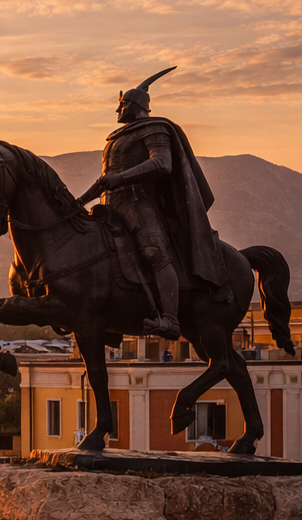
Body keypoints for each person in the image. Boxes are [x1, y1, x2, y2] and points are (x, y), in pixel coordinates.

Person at [78, 66, 227, 340]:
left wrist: (121, 177)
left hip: (139, 204)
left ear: (135, 104)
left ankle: (170, 318)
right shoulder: (116, 138)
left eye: (121, 105)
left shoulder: (154, 128)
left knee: (154, 254)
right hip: (110, 205)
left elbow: (162, 163)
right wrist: (80, 200)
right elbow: (105, 179)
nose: (117, 111)